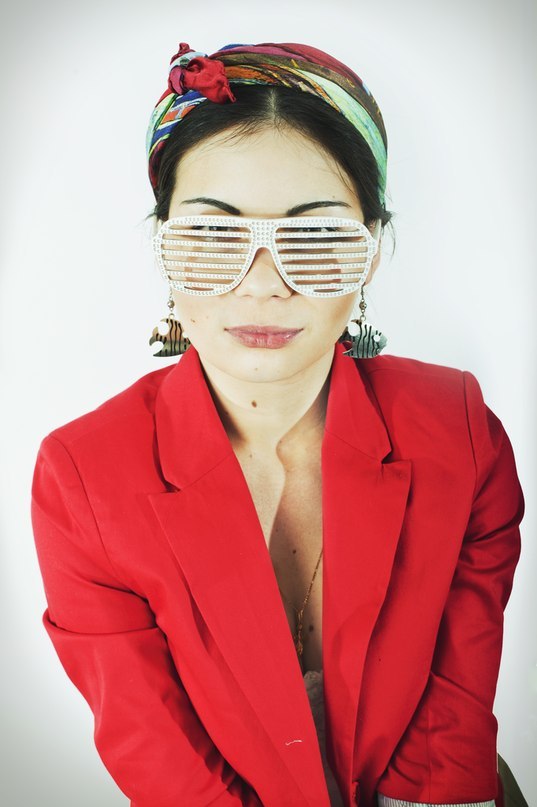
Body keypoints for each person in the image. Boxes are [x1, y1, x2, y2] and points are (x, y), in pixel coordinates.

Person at [30, 40, 526, 807]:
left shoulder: (459, 432)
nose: (262, 285)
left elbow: (446, 729)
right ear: (163, 251)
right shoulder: (82, 477)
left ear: (371, 254)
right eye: (212, 236)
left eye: (316, 236)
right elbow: (159, 755)